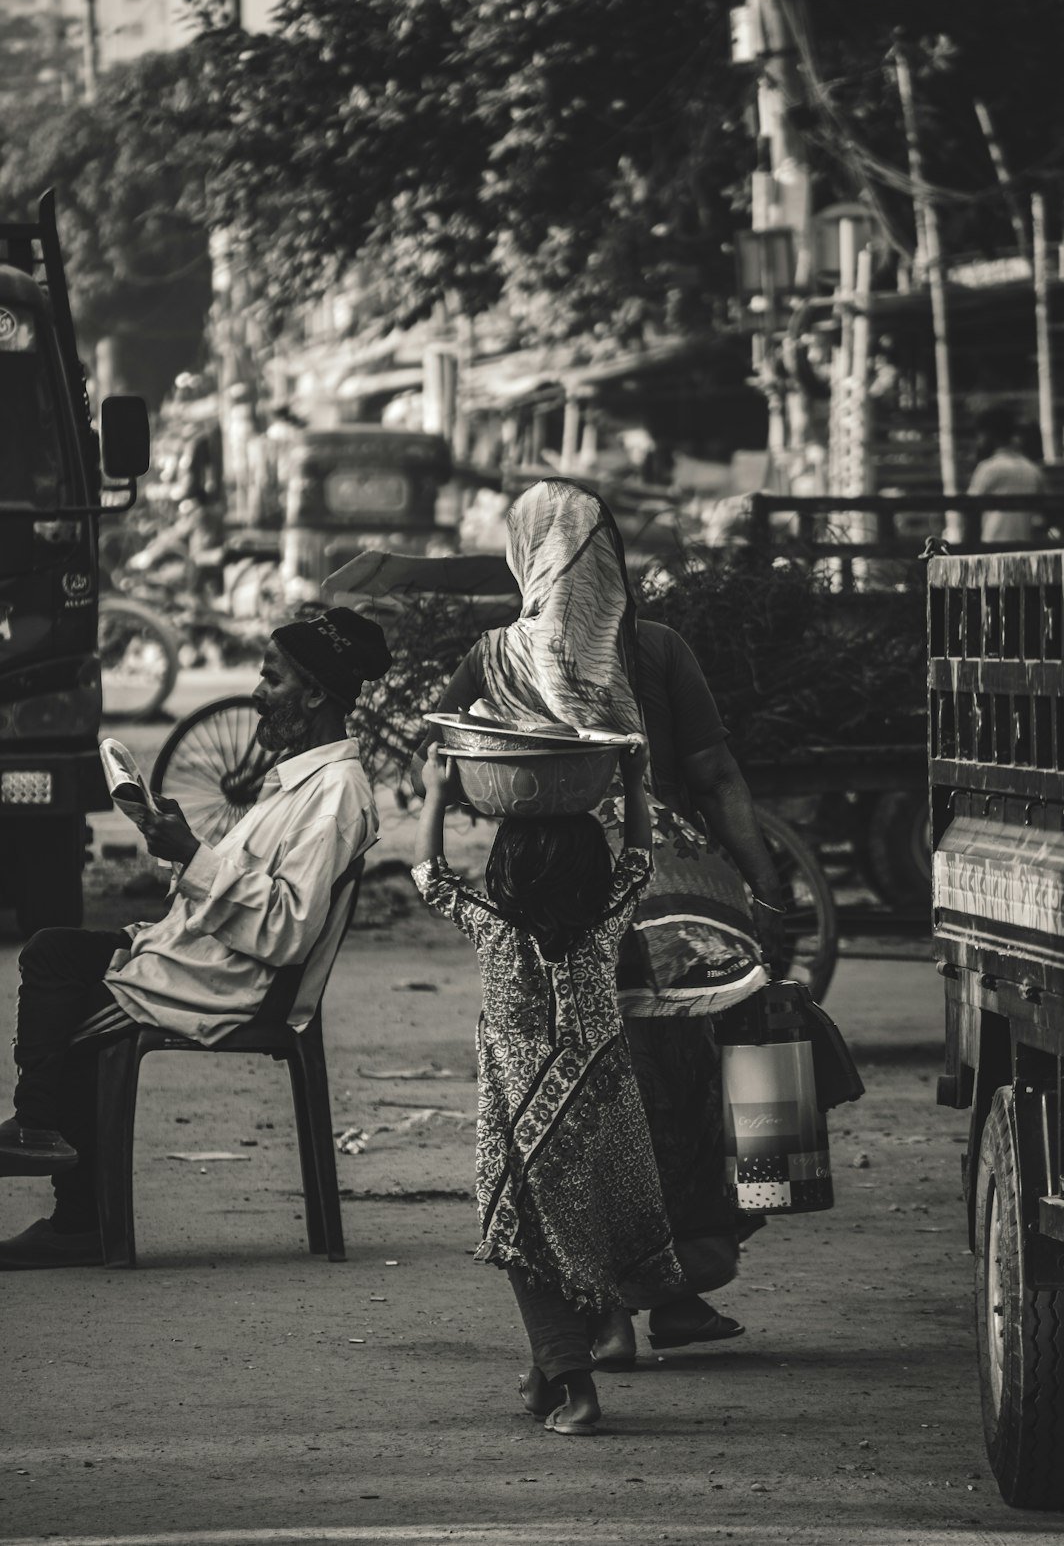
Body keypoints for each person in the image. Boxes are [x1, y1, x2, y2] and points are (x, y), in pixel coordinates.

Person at [424, 478, 787, 1368]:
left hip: (548, 900)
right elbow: (719, 779)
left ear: (523, 557)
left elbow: (454, 763)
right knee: (697, 1087)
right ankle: (679, 1287)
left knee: (578, 1097)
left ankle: (606, 1310)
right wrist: (768, 896)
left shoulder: (491, 657)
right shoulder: (659, 650)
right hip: (676, 893)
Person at [0, 608, 391, 1269]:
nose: (258, 692)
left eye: (272, 677)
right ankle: (55, 1164)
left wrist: (197, 857)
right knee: (54, 954)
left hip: (231, 982)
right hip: (199, 959)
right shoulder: (300, 781)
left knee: (62, 987)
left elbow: (289, 929)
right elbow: (243, 888)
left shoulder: (334, 795)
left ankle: (67, 1194)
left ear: (316, 694)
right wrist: (183, 848)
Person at [412, 738, 686, 1435]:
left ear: (505, 873)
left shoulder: (491, 930)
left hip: (522, 1130)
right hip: (604, 1121)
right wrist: (630, 779)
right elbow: (639, 861)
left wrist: (438, 795)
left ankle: (574, 1387)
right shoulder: (604, 925)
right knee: (575, 1244)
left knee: (529, 1253)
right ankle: (545, 1380)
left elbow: (430, 876)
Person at [967, 408, 1046, 543]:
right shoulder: (1032, 469)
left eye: (980, 436)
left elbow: (969, 509)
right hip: (1026, 545)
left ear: (989, 435)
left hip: (992, 543)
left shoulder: (988, 468)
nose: (979, 442)